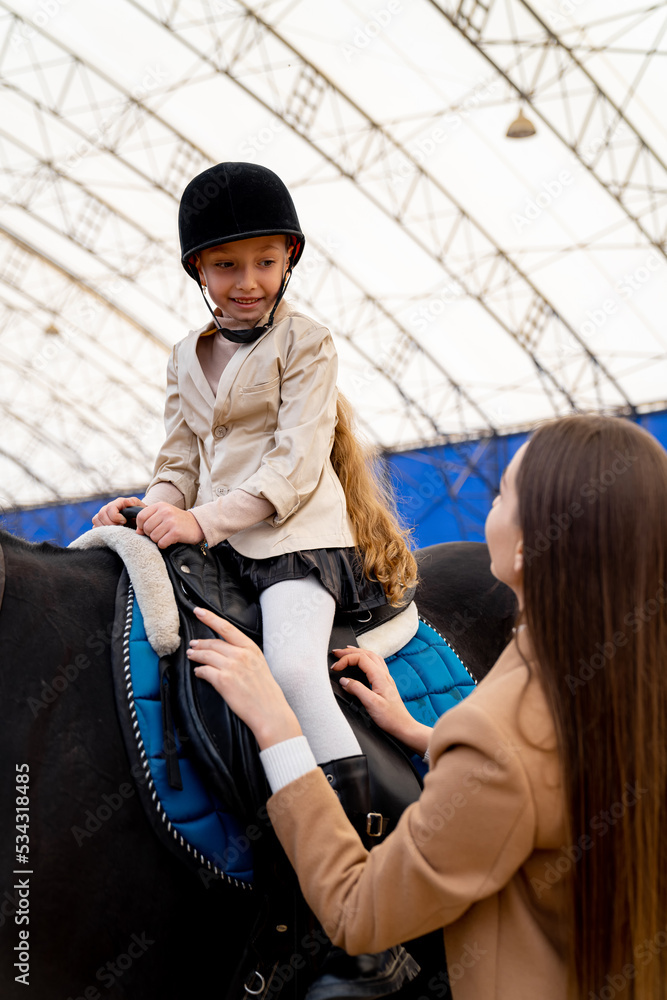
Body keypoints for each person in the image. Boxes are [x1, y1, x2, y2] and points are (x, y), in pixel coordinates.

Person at [186, 413, 667, 1000]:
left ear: (531, 546)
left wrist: (278, 722)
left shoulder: (501, 737)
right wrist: (422, 734)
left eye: (501, 495)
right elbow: (554, 770)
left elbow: (358, 912)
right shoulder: (621, 675)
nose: (491, 505)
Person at [92, 162, 420, 997]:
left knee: (292, 670)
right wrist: (150, 507)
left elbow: (295, 463)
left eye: (266, 263)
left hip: (295, 540)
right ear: (198, 272)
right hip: (217, 543)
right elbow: (177, 461)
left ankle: (373, 887)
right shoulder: (183, 356)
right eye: (227, 266)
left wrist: (203, 519)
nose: (248, 283)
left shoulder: (307, 343)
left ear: (288, 262)